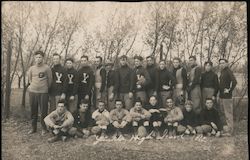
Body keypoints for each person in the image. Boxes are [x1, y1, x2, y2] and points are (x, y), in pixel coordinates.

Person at [27, 51, 52, 135]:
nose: (38, 59)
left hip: (43, 92)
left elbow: (50, 80)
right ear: (34, 58)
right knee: (33, 110)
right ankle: (33, 128)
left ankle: (44, 128)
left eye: (40, 57)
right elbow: (30, 79)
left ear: (43, 58)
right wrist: (32, 86)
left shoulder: (47, 68)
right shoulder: (31, 68)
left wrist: (45, 88)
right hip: (33, 92)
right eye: (37, 57)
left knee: (43, 111)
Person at [218, 58, 237, 136]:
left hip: (227, 97)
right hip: (222, 96)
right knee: (223, 113)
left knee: (228, 114)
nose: (221, 64)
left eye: (223, 63)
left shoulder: (228, 71)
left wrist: (229, 90)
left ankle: (230, 131)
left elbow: (234, 81)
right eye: (220, 63)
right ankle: (226, 130)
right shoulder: (222, 71)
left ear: (227, 63)